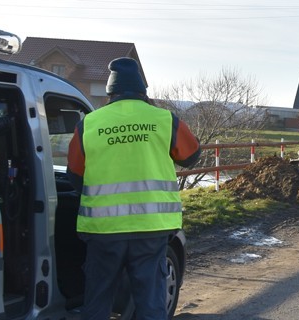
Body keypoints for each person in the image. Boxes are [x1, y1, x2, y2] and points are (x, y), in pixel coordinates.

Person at [66, 57, 201, 320]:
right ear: (143, 91)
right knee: (150, 301)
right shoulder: (164, 120)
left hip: (103, 231)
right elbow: (191, 156)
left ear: (110, 92)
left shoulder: (90, 124)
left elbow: (74, 176)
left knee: (97, 301)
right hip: (151, 229)